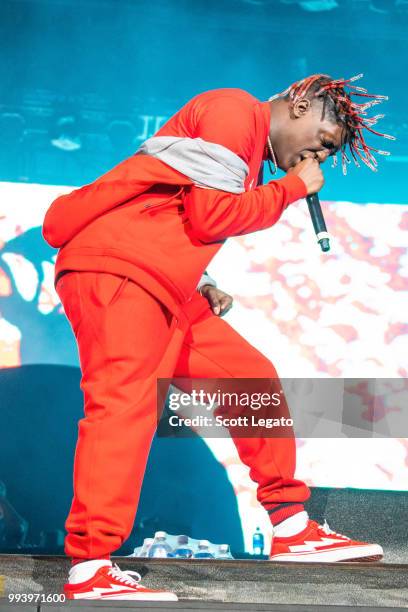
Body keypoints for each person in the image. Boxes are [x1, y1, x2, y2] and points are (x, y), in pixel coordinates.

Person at [42, 73, 393, 601]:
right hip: (120, 274)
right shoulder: (236, 111)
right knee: (125, 406)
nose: (316, 156)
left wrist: (200, 280)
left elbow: (170, 211)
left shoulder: (247, 146)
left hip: (160, 281)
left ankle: (292, 526)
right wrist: (293, 189)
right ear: (300, 104)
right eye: (323, 141)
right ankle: (90, 566)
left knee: (249, 379)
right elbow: (210, 218)